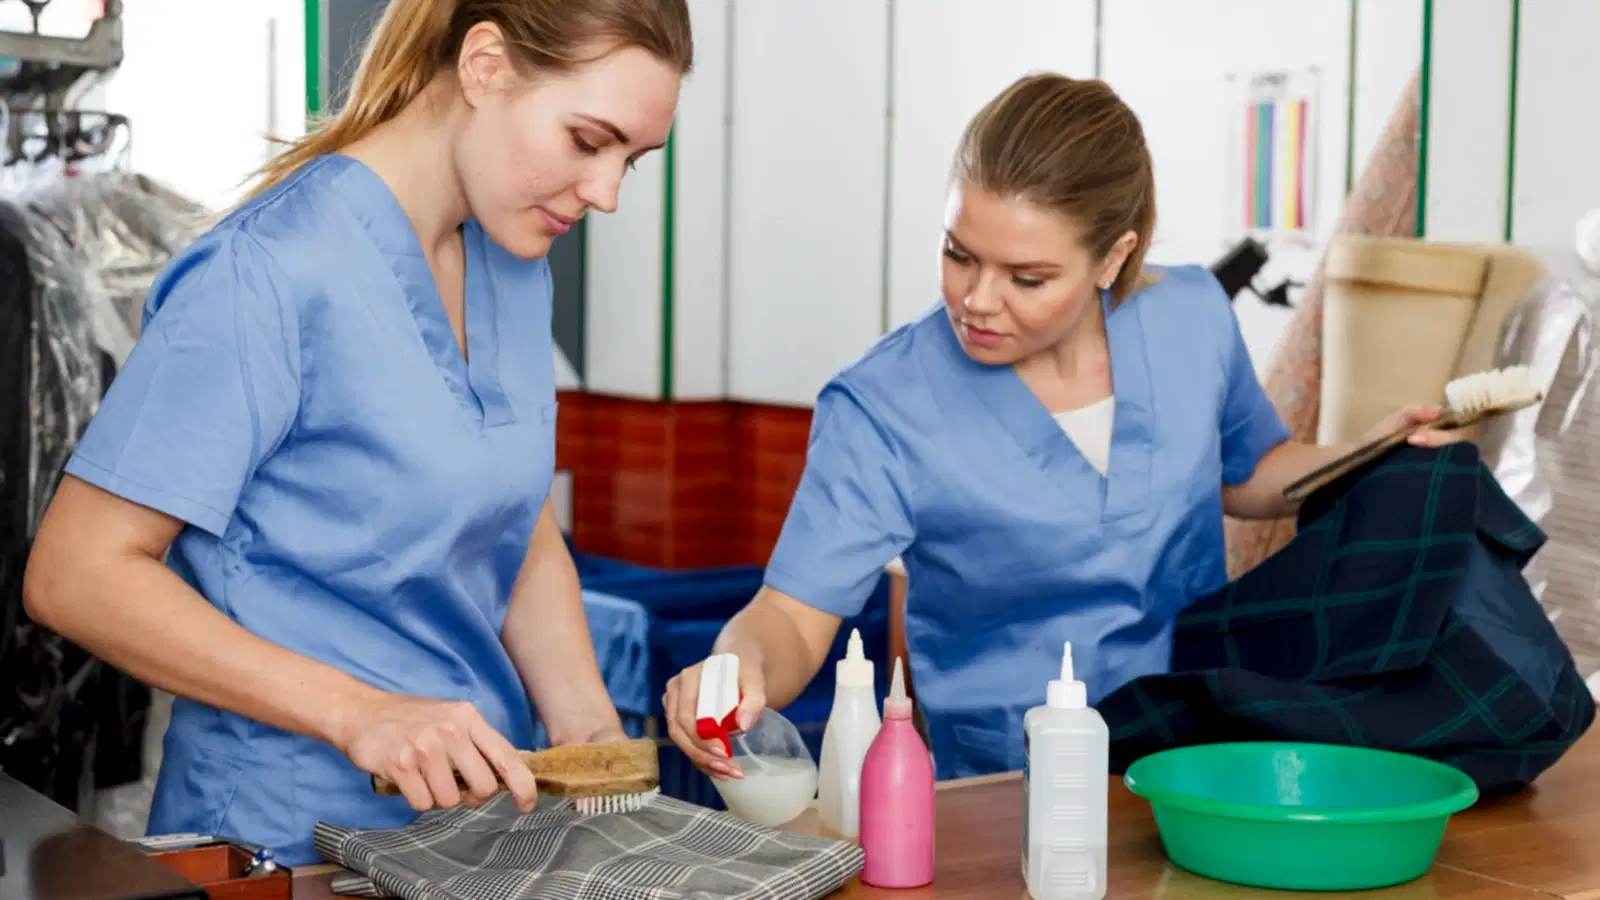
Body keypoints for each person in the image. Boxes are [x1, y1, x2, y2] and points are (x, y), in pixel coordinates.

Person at [22, 0, 691, 865]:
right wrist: (359, 713)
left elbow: (512, 518)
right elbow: (75, 573)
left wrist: (587, 729)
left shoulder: (514, 261)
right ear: (485, 66)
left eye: (630, 161)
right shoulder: (265, 271)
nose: (606, 193)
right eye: (587, 141)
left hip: (477, 832)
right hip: (282, 840)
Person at [662, 73, 1464, 782]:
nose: (977, 300)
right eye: (958, 253)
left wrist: (1366, 455)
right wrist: (736, 667)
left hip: (1197, 753)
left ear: (1112, 258)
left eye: (1028, 277)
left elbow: (1251, 471)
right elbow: (791, 615)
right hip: (1006, 781)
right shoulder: (884, 405)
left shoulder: (1190, 317)